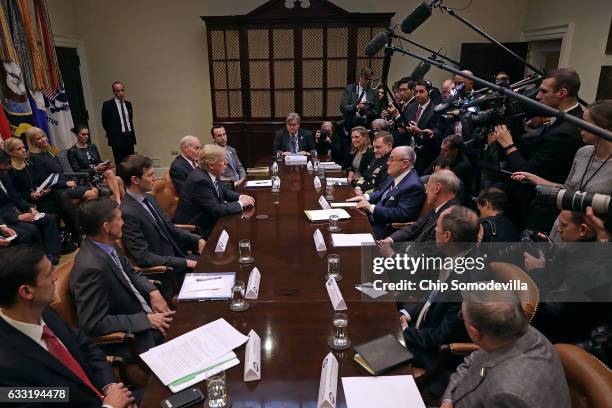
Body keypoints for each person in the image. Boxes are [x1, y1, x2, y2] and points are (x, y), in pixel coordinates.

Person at [0, 245, 136, 407]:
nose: (55, 278)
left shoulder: (45, 312)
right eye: (49, 273)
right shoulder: (6, 368)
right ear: (27, 292)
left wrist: (110, 387)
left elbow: (87, 348)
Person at [71, 198, 175, 362]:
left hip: (149, 315)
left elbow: (131, 272)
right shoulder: (91, 268)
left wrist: (152, 291)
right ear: (106, 227)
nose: (123, 222)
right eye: (119, 219)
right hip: (135, 338)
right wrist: (145, 320)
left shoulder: (107, 244)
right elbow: (93, 323)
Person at [441, 290, 571, 408]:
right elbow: (472, 360)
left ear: (475, 332)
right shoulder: (514, 332)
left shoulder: (509, 396)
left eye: (461, 316)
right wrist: (448, 399)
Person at [494, 68, 584, 231]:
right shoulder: (565, 119)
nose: (538, 96)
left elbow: (529, 174)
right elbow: (537, 150)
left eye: (543, 91)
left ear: (562, 93)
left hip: (542, 210)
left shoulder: (566, 131)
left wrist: (508, 145)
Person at [512, 99, 612, 240]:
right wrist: (535, 179)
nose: (579, 128)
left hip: (591, 236)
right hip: (564, 227)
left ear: (604, 128)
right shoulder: (583, 152)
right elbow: (567, 189)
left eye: (585, 123)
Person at [399, 206, 479, 369]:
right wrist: (407, 313)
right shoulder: (457, 254)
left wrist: (406, 332)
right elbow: (432, 296)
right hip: (421, 330)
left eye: (437, 227)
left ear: (447, 236)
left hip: (433, 352)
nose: (434, 230)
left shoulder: (468, 281)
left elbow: (443, 336)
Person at [524, 210, 610, 344]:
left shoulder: (583, 268)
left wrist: (537, 271)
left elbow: (551, 310)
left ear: (582, 230)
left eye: (564, 225)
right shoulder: (594, 254)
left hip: (561, 340)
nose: (558, 229)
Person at [119, 155, 205, 279]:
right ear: (135, 180)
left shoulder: (149, 198)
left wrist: (197, 239)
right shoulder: (127, 213)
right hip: (167, 272)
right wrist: (186, 263)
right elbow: (144, 257)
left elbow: (170, 227)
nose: (155, 178)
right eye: (150, 175)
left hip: (180, 256)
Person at [4, 137, 82, 245]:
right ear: (11, 152)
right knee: (63, 204)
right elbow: (16, 195)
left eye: (23, 147)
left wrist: (47, 189)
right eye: (19, 149)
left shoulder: (30, 163)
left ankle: (75, 234)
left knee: (63, 197)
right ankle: (75, 235)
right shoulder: (10, 171)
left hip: (43, 195)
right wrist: (30, 195)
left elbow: (44, 179)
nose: (23, 150)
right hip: (31, 203)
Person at [174, 144, 255, 239]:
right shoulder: (200, 181)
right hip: (198, 230)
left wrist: (240, 197)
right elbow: (216, 209)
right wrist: (240, 204)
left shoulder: (210, 172)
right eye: (222, 160)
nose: (226, 162)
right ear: (211, 165)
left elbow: (223, 191)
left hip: (211, 220)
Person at [348, 146, 425, 239]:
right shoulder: (396, 174)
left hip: (384, 229)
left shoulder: (413, 186)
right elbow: (381, 192)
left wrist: (371, 207)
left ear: (405, 163)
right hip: (373, 218)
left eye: (392, 160)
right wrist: (365, 197)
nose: (388, 163)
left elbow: (402, 214)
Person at [0, 150, 61, 261]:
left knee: (48, 218)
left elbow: (16, 198)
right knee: (29, 230)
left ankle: (51, 254)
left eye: (6, 170)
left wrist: (29, 208)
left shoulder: (4, 176)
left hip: (15, 211)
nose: (5, 173)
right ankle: (35, 261)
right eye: (2, 170)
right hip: (5, 219)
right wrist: (18, 217)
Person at [382, 169, 461, 244]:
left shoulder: (450, 218)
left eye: (428, 186)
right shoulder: (438, 207)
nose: (426, 192)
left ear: (437, 188)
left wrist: (391, 254)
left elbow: (429, 252)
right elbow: (415, 227)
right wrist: (390, 239)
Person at [26, 127, 98, 201]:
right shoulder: (35, 157)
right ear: (32, 142)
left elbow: (60, 173)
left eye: (43, 136)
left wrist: (69, 182)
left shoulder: (48, 152)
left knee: (94, 190)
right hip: (54, 190)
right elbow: (45, 180)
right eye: (39, 139)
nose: (43, 139)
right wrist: (66, 184)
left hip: (63, 184)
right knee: (91, 194)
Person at [67, 124, 124, 203]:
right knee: (114, 177)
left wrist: (105, 165)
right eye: (83, 134)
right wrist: (94, 169)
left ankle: (121, 202)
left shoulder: (92, 146)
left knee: (118, 179)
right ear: (76, 135)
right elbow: (77, 170)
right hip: (88, 178)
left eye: (87, 134)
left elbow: (98, 161)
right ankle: (119, 201)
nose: (86, 136)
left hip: (100, 174)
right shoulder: (72, 151)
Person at [404, 80, 441, 174]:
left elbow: (436, 132)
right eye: (416, 92)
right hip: (408, 151)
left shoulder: (435, 110)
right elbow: (405, 123)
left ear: (429, 92)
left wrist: (419, 131)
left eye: (421, 91)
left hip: (424, 154)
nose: (417, 95)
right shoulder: (411, 107)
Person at [427, 135, 473, 203]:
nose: (441, 152)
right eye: (441, 149)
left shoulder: (463, 167)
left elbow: (451, 190)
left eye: (445, 150)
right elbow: (427, 172)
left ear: (455, 151)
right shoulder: (443, 156)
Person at [102, 81, 136, 164]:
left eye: (122, 90)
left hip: (129, 136)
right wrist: (112, 134)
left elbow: (130, 120)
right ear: (114, 92)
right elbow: (105, 122)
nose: (121, 93)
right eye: (118, 91)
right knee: (120, 162)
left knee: (130, 161)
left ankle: (130, 177)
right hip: (117, 138)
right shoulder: (108, 105)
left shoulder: (128, 104)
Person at [339, 67, 380, 132]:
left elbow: (377, 112)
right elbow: (343, 107)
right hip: (351, 123)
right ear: (360, 77)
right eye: (366, 79)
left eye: (370, 80)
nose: (369, 82)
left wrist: (367, 110)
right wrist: (356, 106)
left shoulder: (374, 92)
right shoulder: (350, 89)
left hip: (367, 124)